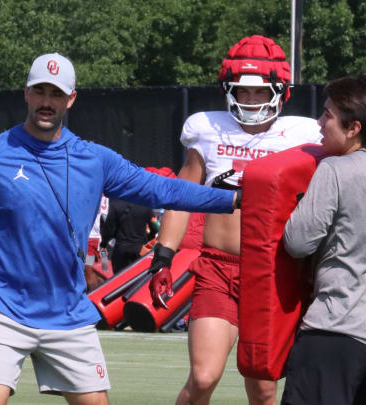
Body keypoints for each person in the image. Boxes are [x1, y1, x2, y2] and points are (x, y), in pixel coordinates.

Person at [0, 52, 240, 405]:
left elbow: (165, 189)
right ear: (26, 93)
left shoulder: (95, 159)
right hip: (1, 311)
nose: (47, 102)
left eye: (56, 94)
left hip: (69, 314)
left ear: (72, 98)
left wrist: (235, 201)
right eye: (40, 92)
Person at [148, 35, 323, 405]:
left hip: (274, 271)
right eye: (242, 91)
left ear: (280, 91)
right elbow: (182, 196)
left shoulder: (305, 136)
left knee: (262, 387)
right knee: (203, 377)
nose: (251, 100)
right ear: (229, 89)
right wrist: (163, 255)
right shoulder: (207, 130)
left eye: (260, 92)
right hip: (218, 269)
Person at [280, 76, 366, 405]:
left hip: (335, 329)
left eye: (328, 115)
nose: (319, 123)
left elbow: (298, 241)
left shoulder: (334, 170)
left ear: (353, 128)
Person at [100, 199, 152, 272]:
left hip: (121, 249)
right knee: (138, 278)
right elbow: (154, 227)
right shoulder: (146, 204)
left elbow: (109, 229)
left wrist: (103, 244)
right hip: (141, 248)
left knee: (120, 278)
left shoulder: (116, 204)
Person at [84, 195, 109, 291]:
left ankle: (96, 300)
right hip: (102, 242)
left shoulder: (92, 192)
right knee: (105, 269)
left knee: (89, 275)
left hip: (91, 240)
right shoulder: (107, 195)